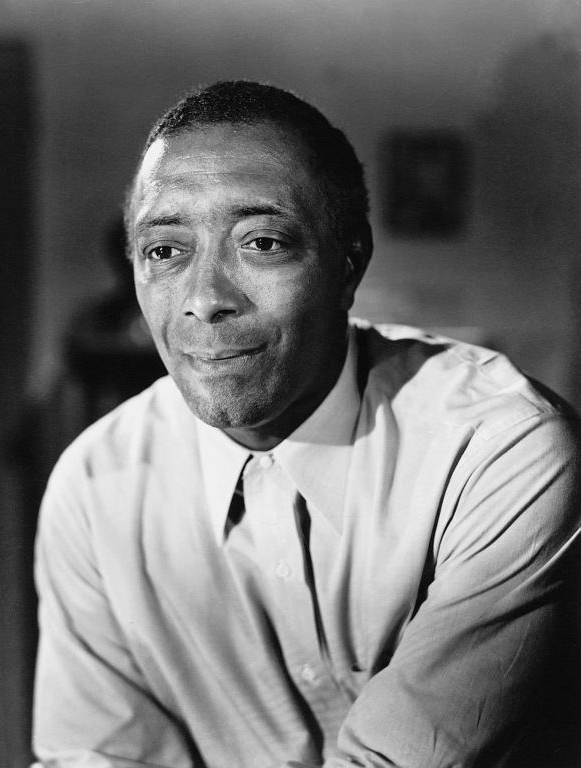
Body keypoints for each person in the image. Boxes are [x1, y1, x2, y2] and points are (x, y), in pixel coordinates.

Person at [32, 81, 581, 768]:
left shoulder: (498, 450)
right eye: (165, 252)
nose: (204, 299)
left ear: (350, 264)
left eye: (261, 242)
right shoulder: (95, 486)